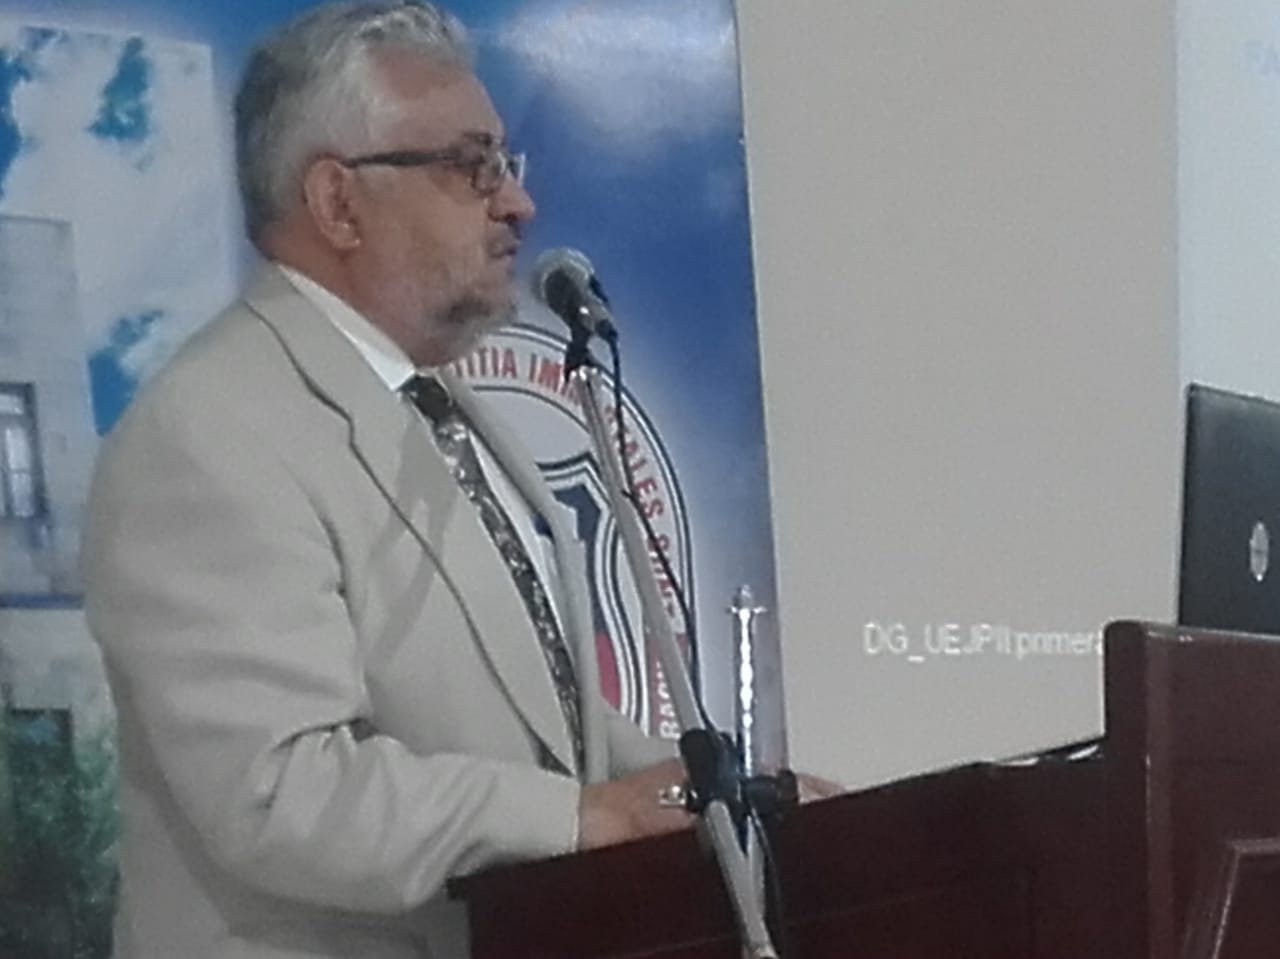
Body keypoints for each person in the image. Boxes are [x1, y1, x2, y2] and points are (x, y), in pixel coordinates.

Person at [83, 3, 694, 957]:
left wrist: (721, 799)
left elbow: (544, 718)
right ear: (337, 202)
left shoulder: (437, 405)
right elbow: (282, 789)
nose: (518, 203)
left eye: (507, 163)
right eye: (472, 165)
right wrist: (581, 818)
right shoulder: (207, 432)